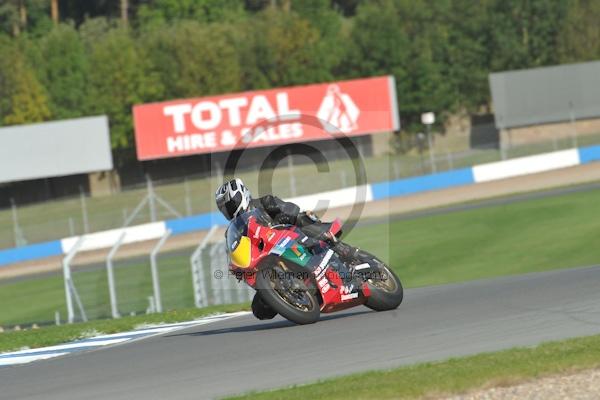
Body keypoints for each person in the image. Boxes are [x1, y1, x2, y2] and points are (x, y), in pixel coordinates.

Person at [215, 178, 361, 264]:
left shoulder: (265, 202)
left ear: (241, 195)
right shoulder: (235, 229)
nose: (228, 210)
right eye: (224, 209)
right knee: (259, 309)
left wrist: (282, 214)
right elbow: (237, 253)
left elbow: (292, 209)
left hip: (292, 238)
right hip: (269, 256)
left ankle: (337, 246)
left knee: (301, 218)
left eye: (230, 205)